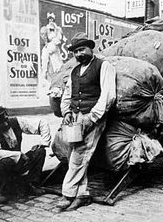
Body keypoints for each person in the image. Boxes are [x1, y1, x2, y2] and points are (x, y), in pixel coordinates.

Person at [58, 32, 116, 211]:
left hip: (94, 117)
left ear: (91, 48)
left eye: (82, 49)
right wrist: (66, 111)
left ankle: (68, 193)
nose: (78, 54)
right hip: (75, 119)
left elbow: (108, 95)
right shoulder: (75, 71)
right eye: (75, 51)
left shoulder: (103, 65)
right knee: (76, 153)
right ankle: (82, 194)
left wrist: (93, 117)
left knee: (80, 154)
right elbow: (67, 94)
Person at [0, 106, 52, 203]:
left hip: (18, 164)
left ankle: (32, 184)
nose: (6, 123)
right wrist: (18, 154)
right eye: (1, 121)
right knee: (6, 161)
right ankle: (2, 192)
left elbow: (42, 123)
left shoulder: (15, 122)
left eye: (6, 118)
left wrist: (44, 143)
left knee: (40, 152)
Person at [40, 12, 64, 80]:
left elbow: (59, 38)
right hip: (49, 45)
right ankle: (44, 74)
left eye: (52, 19)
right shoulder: (46, 28)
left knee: (57, 63)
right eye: (49, 19)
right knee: (45, 59)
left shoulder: (57, 28)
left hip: (54, 46)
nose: (51, 20)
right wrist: (46, 43)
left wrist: (55, 41)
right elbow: (44, 36)